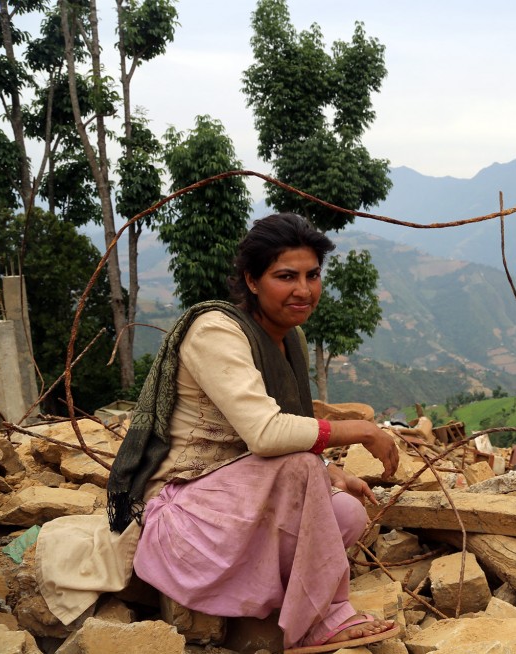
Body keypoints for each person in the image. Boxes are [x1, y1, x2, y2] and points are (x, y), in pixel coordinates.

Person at [104, 213, 401, 652]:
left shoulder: (290, 340)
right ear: (253, 280)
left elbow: (280, 443)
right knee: (302, 466)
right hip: (182, 521)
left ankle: (267, 605)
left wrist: (330, 477)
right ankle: (320, 619)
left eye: (312, 275)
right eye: (286, 276)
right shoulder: (216, 331)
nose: (303, 290)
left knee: (348, 514)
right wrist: (362, 430)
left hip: (233, 505)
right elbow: (265, 435)